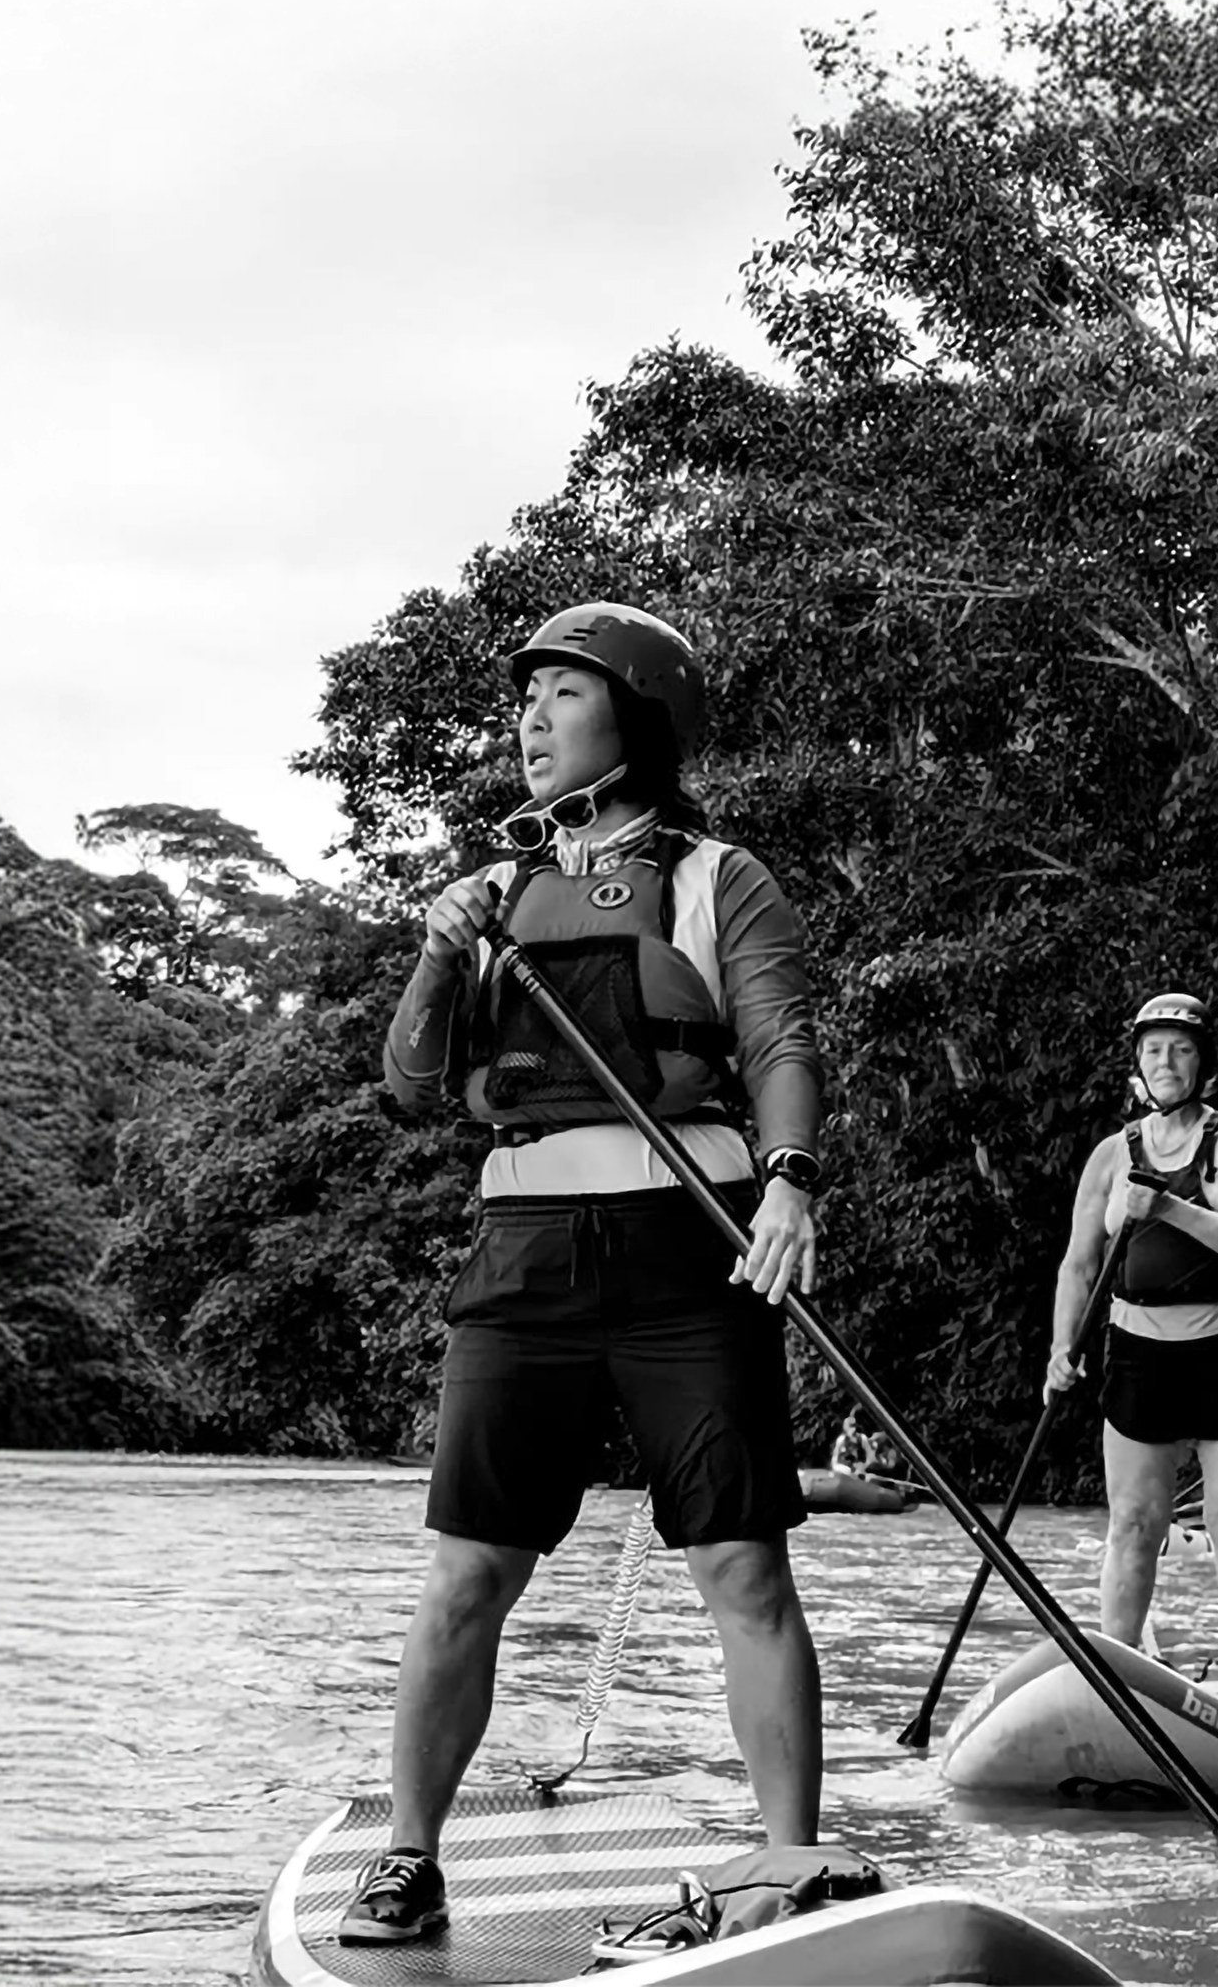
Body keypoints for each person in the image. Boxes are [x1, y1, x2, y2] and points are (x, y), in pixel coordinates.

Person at [344, 600, 831, 1945]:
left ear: (637, 720)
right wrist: (441, 952)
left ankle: (787, 1866)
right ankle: (407, 1857)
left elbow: (782, 1044)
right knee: (466, 1574)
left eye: (561, 695)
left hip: (693, 1251)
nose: (530, 721)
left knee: (743, 1568)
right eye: (526, 700)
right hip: (526, 1262)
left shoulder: (718, 876)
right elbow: (408, 1086)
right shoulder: (490, 897)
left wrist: (788, 1184)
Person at [1041, 991, 1218, 1713]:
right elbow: (1078, 1265)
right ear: (1137, 1067)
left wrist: (1172, 1206)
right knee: (1133, 1523)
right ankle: (1114, 1687)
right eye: (1153, 1050)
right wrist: (1062, 1348)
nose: (1166, 1062)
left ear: (1203, 1063)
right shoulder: (1111, 1156)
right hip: (1139, 1354)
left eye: (1180, 1049)